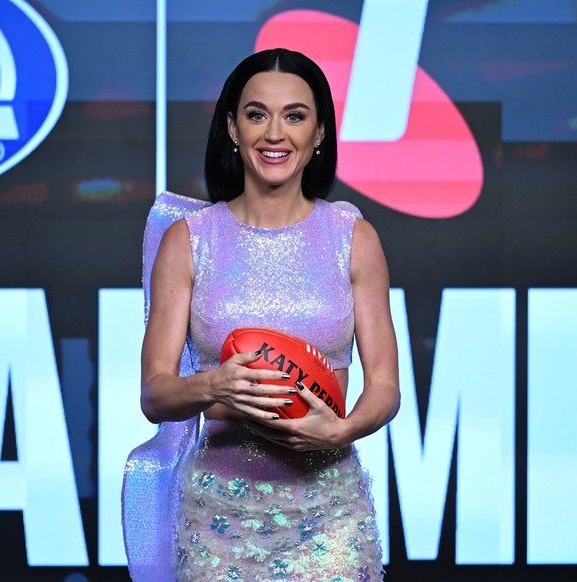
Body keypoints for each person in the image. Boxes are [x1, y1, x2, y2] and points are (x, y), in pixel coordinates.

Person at [128, 48, 400, 581]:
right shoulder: (189, 241)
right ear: (233, 127)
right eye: (257, 114)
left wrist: (339, 432)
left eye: (295, 116)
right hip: (218, 521)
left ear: (319, 133)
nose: (275, 134)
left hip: (331, 519)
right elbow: (154, 395)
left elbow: (386, 386)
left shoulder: (354, 239)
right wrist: (213, 387)